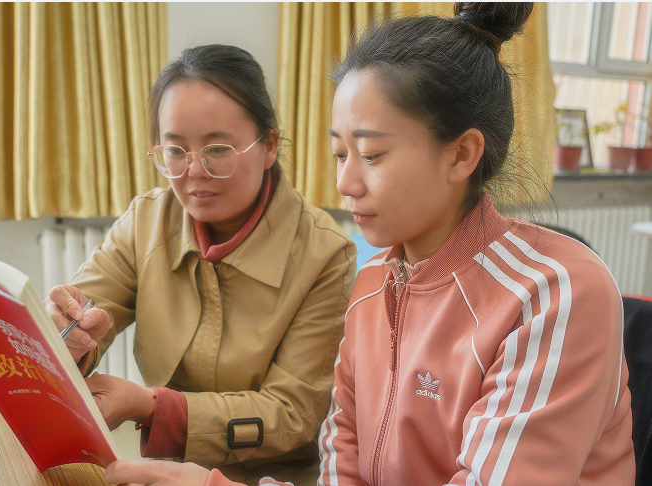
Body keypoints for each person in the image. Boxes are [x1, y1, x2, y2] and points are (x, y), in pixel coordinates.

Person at [100, 3, 637, 486]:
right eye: (340, 154)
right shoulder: (372, 283)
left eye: (372, 155)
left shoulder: (552, 295)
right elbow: (344, 461)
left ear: (461, 154)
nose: (345, 183)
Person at [44, 44, 357, 485]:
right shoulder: (146, 221)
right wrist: (68, 332)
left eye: (218, 148)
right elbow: (89, 305)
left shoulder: (325, 254)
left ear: (269, 146)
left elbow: (292, 414)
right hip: (166, 472)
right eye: (175, 150)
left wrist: (152, 406)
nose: (194, 171)